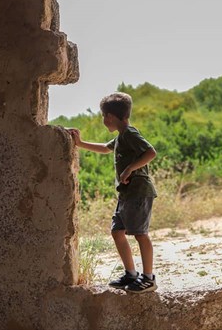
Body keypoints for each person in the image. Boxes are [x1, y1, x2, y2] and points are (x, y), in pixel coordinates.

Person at [68, 92, 159, 293]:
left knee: (141, 234)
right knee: (117, 232)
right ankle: (130, 274)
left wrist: (129, 169)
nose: (103, 120)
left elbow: (151, 152)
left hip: (139, 192)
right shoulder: (120, 137)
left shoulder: (130, 134)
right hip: (126, 194)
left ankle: (149, 278)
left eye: (103, 116)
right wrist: (80, 144)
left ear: (109, 116)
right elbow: (105, 148)